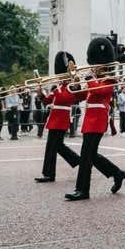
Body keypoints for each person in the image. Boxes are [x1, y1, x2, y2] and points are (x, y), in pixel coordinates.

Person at [65, 38, 125, 201]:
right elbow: (80, 97)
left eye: (96, 64)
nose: (93, 66)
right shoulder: (93, 79)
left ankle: (82, 190)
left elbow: (100, 91)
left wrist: (89, 79)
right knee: (89, 155)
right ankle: (117, 173)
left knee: (87, 155)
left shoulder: (109, 79)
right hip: (89, 119)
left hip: (99, 119)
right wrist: (76, 85)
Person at [34, 52, 82, 182]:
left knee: (54, 146)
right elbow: (46, 101)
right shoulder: (58, 88)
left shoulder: (71, 88)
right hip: (54, 120)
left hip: (61, 119)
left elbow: (67, 99)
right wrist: (40, 93)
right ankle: (76, 161)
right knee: (56, 146)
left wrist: (59, 90)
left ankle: (49, 174)